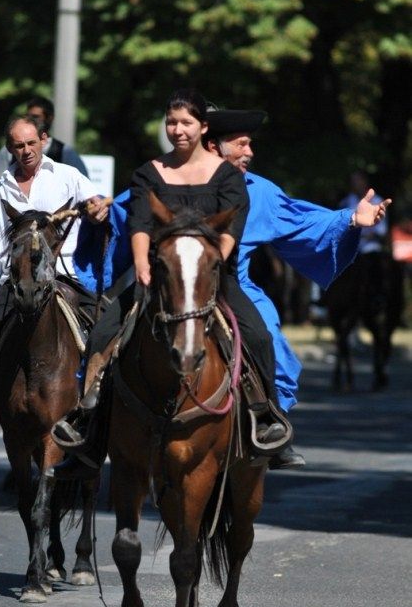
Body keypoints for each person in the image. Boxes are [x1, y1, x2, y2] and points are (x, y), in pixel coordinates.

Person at [50, 89, 290, 481]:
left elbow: (230, 229)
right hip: (158, 277)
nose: (178, 130)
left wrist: (211, 266)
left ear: (203, 127)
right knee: (102, 336)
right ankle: (87, 429)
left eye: (186, 123)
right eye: (171, 122)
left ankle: (267, 419)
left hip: (213, 277)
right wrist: (143, 265)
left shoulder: (228, 176)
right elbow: (139, 224)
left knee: (260, 337)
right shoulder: (149, 173)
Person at [203, 109, 392, 466]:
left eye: (250, 144)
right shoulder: (169, 177)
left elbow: (304, 220)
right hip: (169, 284)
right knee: (111, 336)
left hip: (233, 286)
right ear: (214, 146)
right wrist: (100, 209)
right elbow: (129, 216)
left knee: (270, 341)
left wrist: (352, 219)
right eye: (241, 144)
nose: (250, 152)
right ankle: (94, 421)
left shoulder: (260, 192)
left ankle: (269, 422)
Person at [0, 115, 108, 445]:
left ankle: (103, 410)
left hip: (66, 275)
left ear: (44, 140)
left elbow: (97, 205)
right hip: (18, 280)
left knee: (105, 329)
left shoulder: (68, 176)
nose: (26, 151)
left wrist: (97, 210)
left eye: (31, 143)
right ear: (10, 148)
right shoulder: (1, 188)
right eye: (19, 145)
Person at [0, 96, 89, 206]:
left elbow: (84, 191)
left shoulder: (65, 153)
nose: (26, 151)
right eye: (20, 146)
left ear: (50, 118)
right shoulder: (9, 151)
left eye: (36, 117)